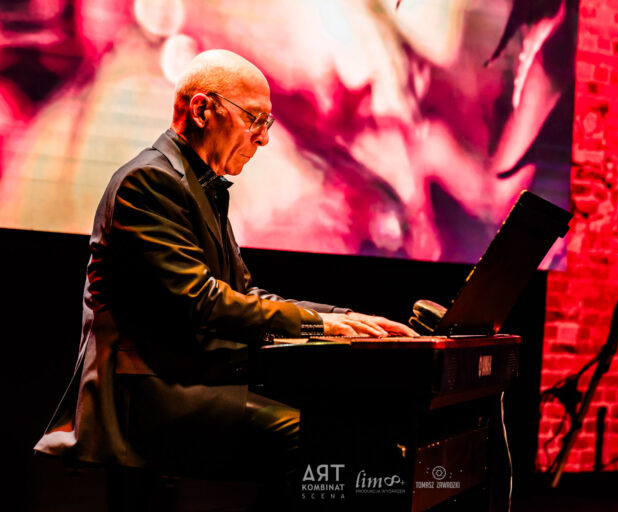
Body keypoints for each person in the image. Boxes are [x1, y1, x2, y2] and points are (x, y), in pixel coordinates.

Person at [34, 49, 416, 484]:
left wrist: (344, 318)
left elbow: (244, 294)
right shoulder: (150, 181)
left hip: (186, 380)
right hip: (144, 396)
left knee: (345, 424)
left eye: (267, 123)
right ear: (202, 110)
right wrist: (320, 326)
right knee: (317, 441)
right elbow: (203, 301)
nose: (264, 138)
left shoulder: (197, 185)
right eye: (255, 119)